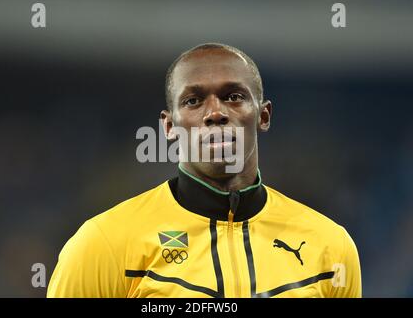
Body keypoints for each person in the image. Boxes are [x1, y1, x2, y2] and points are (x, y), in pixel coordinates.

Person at [47, 43, 361, 298]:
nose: (215, 113)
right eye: (194, 100)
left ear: (263, 116)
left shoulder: (330, 246)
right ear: (169, 126)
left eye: (233, 96)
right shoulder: (103, 244)